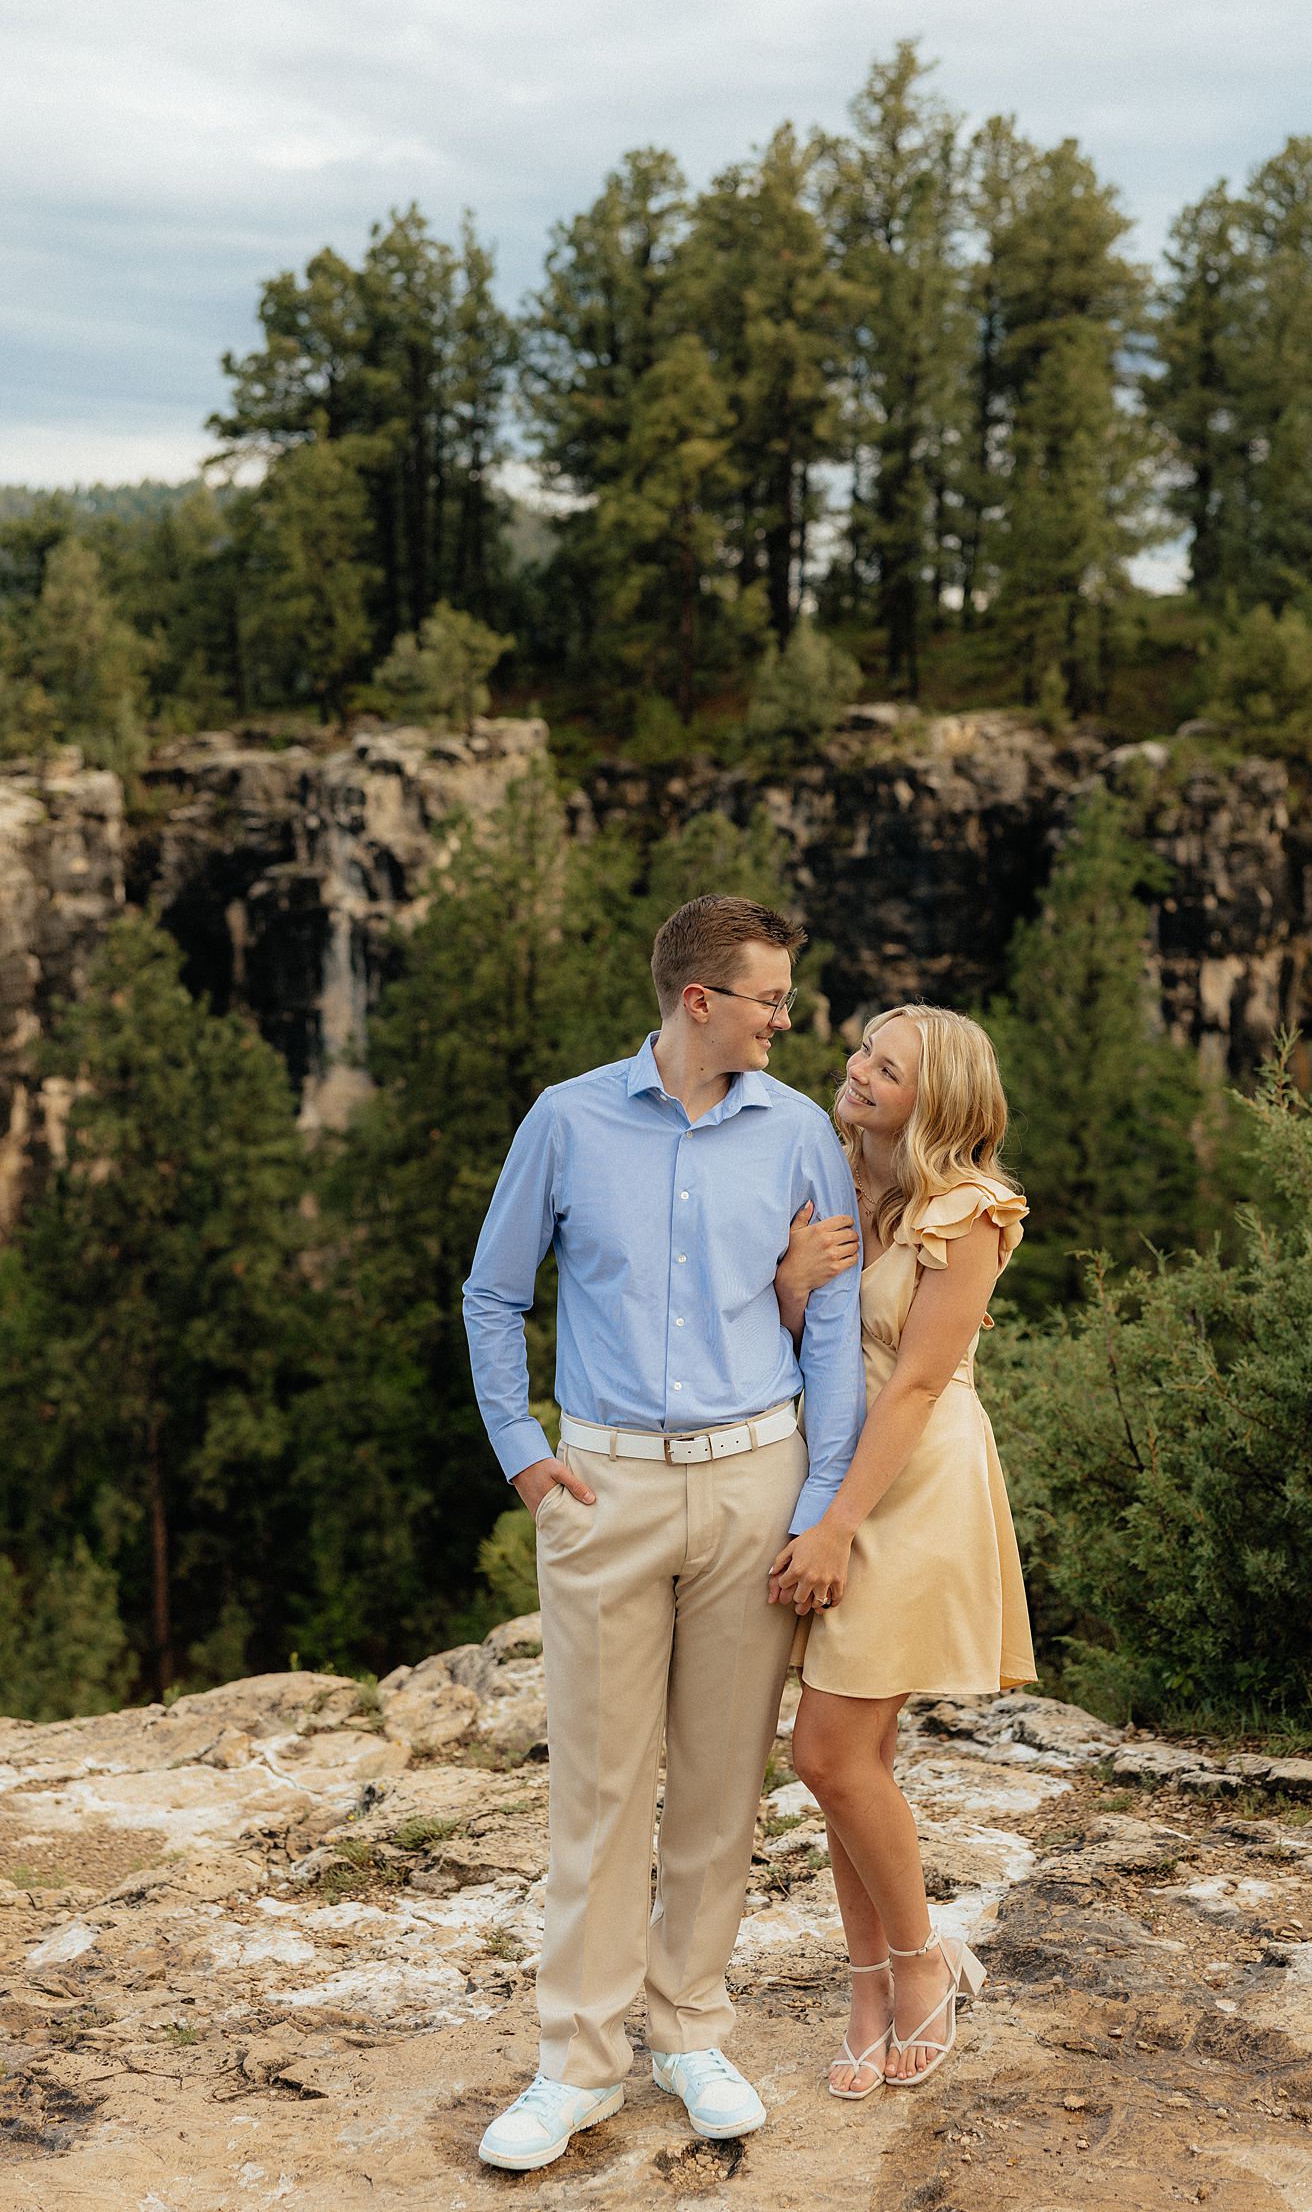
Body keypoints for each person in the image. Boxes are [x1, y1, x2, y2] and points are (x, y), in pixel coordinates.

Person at [462, 895, 865, 2173]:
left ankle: (690, 2028)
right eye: (769, 998)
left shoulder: (799, 1130)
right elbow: (490, 1291)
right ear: (699, 1000)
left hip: (757, 1481)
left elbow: (837, 1326)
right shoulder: (567, 1118)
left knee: (716, 1783)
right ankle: (574, 2061)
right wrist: (525, 1457)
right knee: (594, 1784)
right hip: (605, 1489)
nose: (787, 1018)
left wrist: (818, 1504)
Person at [768, 1003, 1034, 2097]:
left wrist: (833, 1522)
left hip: (913, 1484)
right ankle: (872, 1982)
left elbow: (918, 1380)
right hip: (835, 1461)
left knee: (825, 1753)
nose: (860, 1070)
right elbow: (778, 1331)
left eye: (890, 1065)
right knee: (850, 1764)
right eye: (863, 1052)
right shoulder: (825, 1172)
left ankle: (921, 1957)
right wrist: (791, 1285)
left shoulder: (968, 1208)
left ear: (940, 1097)